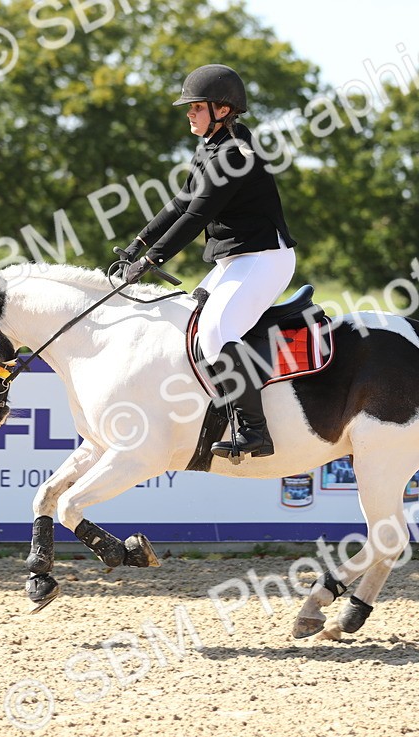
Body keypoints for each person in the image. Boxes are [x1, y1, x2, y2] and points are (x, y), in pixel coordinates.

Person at [117, 64, 297, 460]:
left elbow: (197, 216)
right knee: (192, 325)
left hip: (264, 258)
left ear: (222, 109)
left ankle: (255, 431)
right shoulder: (210, 147)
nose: (189, 114)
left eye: (196, 107)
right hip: (236, 259)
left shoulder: (235, 154)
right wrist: (138, 243)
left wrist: (153, 258)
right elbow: (181, 203)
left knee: (216, 330)